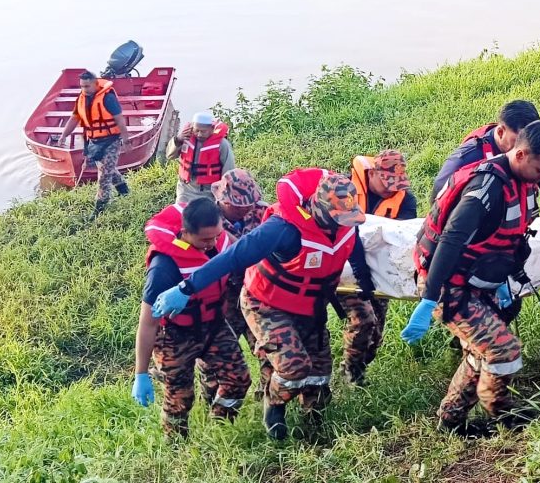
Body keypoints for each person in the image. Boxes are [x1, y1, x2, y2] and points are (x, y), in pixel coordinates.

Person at [152, 170, 373, 441]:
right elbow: (234, 256)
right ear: (319, 209)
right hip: (268, 303)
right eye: (337, 218)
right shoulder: (283, 229)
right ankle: (274, 404)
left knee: (319, 375)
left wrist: (365, 284)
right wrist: (187, 287)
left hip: (310, 306)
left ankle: (314, 431)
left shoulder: (345, 222)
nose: (343, 224)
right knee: (294, 367)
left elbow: (354, 246)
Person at [401, 121, 540, 437]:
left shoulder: (524, 178)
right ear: (521, 153)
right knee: (503, 349)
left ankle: (450, 421)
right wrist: (429, 299)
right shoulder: (484, 189)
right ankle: (502, 413)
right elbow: (450, 242)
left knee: (480, 351)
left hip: (480, 281)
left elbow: (513, 234)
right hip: (450, 285)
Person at [132, 198, 250, 438]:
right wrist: (140, 373)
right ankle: (175, 447)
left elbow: (247, 256)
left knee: (239, 379)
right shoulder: (164, 268)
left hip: (214, 325)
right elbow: (147, 323)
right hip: (175, 336)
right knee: (180, 399)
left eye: (216, 236)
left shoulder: (221, 242)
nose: (212, 244)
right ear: (185, 233)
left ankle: (219, 428)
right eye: (205, 239)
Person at [339, 151, 417, 386]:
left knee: (374, 337)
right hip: (345, 269)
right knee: (364, 320)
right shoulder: (344, 190)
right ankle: (351, 375)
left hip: (380, 271)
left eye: (397, 184)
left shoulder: (406, 200)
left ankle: (357, 365)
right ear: (372, 173)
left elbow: (403, 237)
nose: (392, 190)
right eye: (387, 183)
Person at [432, 100, 540, 204]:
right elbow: (439, 193)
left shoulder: (533, 146)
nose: (527, 150)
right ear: (500, 132)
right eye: (518, 141)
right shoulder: (468, 158)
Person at [210, 168, 271, 351]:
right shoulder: (207, 221)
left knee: (268, 350)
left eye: (250, 203)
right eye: (239, 205)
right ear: (223, 201)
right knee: (222, 355)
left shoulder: (263, 212)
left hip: (260, 293)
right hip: (225, 298)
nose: (247, 208)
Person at [57, 70, 129, 215]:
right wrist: (64, 135)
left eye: (87, 86)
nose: (84, 89)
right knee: (107, 168)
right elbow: (74, 118)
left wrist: (126, 139)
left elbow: (119, 119)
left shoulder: (107, 98)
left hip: (111, 140)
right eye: (82, 86)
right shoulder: (81, 98)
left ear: (96, 84)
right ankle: (124, 191)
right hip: (94, 141)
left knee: (103, 176)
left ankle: (98, 210)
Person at [166, 111, 235, 204]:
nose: (199, 134)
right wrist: (178, 140)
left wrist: (223, 194)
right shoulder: (185, 138)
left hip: (209, 192)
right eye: (196, 130)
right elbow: (170, 156)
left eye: (203, 131)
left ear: (211, 129)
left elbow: (228, 171)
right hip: (185, 190)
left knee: (206, 217)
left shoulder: (222, 144)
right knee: (183, 216)